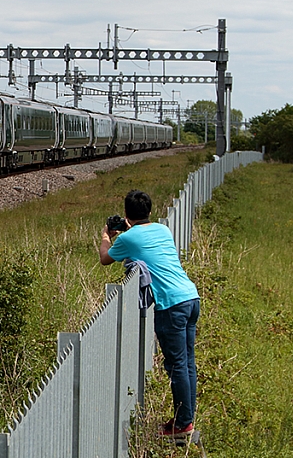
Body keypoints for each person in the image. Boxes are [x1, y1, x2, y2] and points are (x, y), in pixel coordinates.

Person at [99, 189, 200, 445]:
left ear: (126, 215)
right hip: (190, 296)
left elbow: (104, 259)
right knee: (187, 362)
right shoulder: (163, 230)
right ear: (151, 212)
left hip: (170, 304)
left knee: (176, 365)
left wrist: (106, 236)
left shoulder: (128, 238)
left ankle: (182, 424)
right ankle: (185, 418)